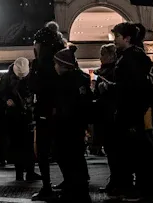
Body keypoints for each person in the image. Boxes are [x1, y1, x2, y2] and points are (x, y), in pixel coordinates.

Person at [106, 22, 153, 200]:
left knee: (135, 151)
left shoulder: (130, 58)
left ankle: (143, 188)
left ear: (126, 38)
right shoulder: (133, 56)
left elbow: (131, 87)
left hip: (130, 111)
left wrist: (110, 87)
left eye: (117, 37)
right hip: (132, 109)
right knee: (137, 150)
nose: (114, 40)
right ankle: (143, 187)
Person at [29, 22, 66, 201]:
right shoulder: (59, 59)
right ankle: (69, 182)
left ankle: (46, 187)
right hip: (59, 111)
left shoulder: (42, 64)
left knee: (43, 151)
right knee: (60, 149)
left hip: (46, 110)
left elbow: (35, 87)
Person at [53, 48, 92, 203]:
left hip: (67, 123)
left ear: (63, 65)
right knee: (76, 155)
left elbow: (65, 105)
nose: (55, 67)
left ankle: (74, 187)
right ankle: (79, 184)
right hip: (78, 123)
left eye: (56, 64)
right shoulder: (81, 78)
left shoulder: (65, 81)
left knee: (67, 155)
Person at [0, 57, 37, 182]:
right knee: (18, 145)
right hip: (15, 116)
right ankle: (20, 172)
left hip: (26, 115)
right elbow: (0, 95)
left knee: (27, 145)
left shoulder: (29, 77)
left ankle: (29, 171)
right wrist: (6, 101)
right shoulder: (7, 79)